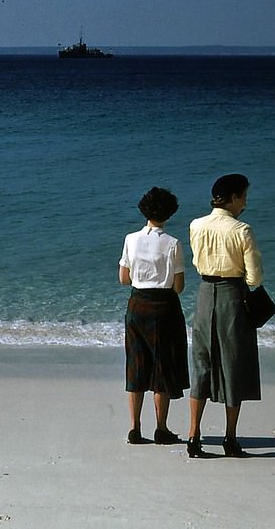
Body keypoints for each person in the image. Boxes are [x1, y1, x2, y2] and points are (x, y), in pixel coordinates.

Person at [187, 173, 264, 458]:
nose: (245, 201)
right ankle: (230, 438)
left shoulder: (196, 225)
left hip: (205, 293)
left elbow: (196, 261)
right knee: (234, 363)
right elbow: (254, 277)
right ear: (232, 198)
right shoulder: (242, 230)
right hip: (232, 293)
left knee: (202, 362)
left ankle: (193, 435)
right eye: (243, 196)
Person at [119, 187, 189, 445]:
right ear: (169, 213)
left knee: (136, 365)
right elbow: (179, 286)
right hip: (165, 306)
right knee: (162, 365)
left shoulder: (130, 239)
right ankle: (161, 427)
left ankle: (135, 428)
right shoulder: (173, 243)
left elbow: (124, 279)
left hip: (138, 304)